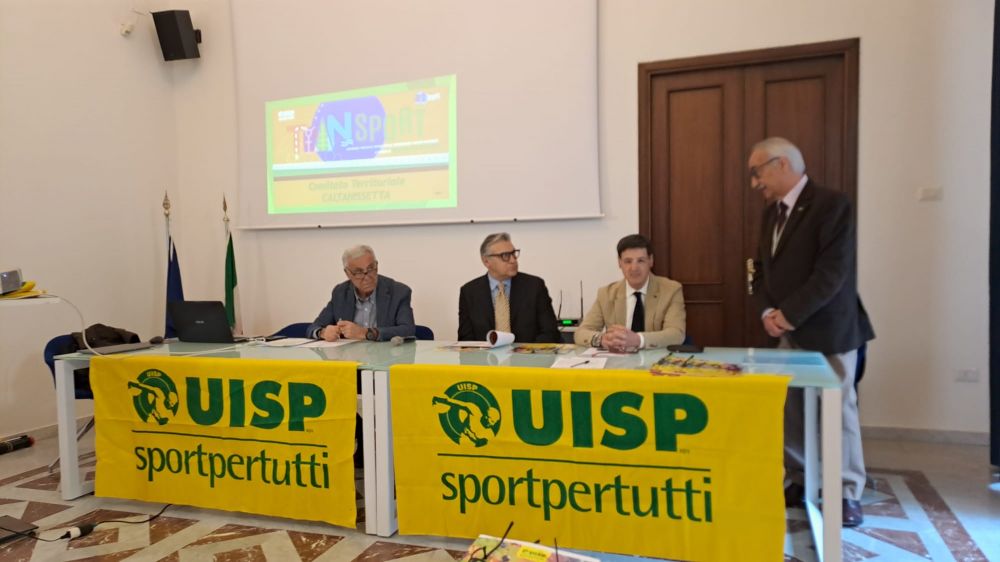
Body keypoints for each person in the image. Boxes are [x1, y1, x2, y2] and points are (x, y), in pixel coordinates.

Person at [748, 137, 875, 527]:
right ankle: (800, 479)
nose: (754, 182)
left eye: (757, 172)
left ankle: (846, 491)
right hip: (786, 332)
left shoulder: (832, 205)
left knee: (838, 409)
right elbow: (761, 269)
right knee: (793, 409)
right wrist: (767, 311)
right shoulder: (771, 214)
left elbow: (832, 273)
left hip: (830, 330)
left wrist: (788, 314)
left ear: (782, 164)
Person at [575, 234, 685, 352]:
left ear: (651, 260)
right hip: (619, 360)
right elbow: (581, 333)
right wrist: (602, 339)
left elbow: (676, 334)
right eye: (628, 261)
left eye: (640, 261)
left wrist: (638, 340)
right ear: (619, 263)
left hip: (654, 359)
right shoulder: (606, 294)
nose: (634, 268)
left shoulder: (671, 290)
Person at [458, 232, 561, 343]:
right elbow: (466, 340)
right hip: (485, 354)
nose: (513, 260)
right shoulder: (469, 292)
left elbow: (550, 332)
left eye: (513, 254)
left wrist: (527, 352)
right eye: (505, 256)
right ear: (486, 261)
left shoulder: (535, 287)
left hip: (528, 353)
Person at [308, 245, 415, 341]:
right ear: (348, 273)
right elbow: (313, 327)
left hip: (385, 355)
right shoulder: (340, 293)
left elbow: (408, 330)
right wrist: (323, 333)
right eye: (358, 272)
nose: (367, 277)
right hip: (349, 356)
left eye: (371, 268)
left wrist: (365, 333)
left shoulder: (399, 292)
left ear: (377, 266)